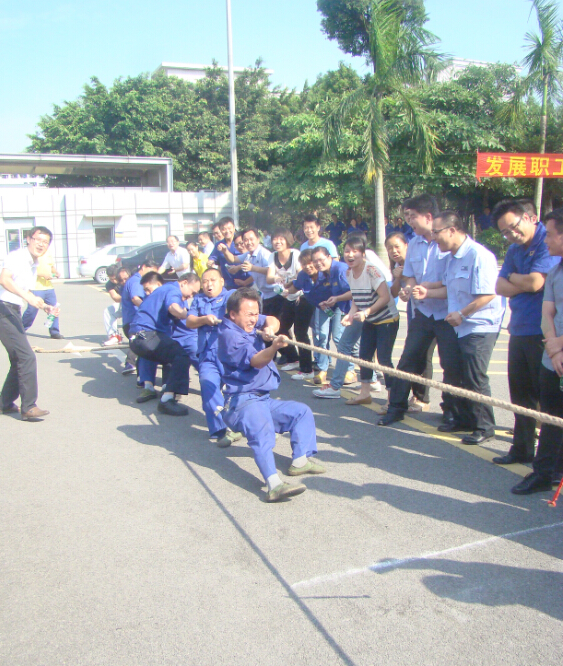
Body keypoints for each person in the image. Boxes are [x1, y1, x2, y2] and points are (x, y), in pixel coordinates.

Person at [217, 288, 325, 502]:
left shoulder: (247, 320)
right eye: (249, 314)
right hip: (242, 401)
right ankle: (273, 485)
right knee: (262, 432)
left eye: (255, 314)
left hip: (262, 398)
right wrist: (274, 346)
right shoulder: (230, 336)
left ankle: (300, 461)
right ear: (233, 314)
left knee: (301, 412)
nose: (253, 318)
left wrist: (269, 328)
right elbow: (257, 360)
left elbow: (272, 320)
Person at [410, 210, 505, 444]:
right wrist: (427, 291)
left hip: (480, 325)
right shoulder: (451, 257)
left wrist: (462, 313)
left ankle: (484, 426)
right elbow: (448, 288)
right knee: (455, 372)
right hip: (460, 325)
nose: (433, 238)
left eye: (436, 232)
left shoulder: (479, 255)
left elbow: (489, 294)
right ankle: (462, 418)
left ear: (452, 230)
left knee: (475, 377)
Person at [378, 195, 463, 427]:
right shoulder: (414, 243)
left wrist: (425, 290)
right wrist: (408, 289)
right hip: (422, 313)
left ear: (428, 216)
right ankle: (396, 407)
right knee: (408, 360)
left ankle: (451, 413)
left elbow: (453, 282)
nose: (409, 221)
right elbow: (410, 276)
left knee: (450, 365)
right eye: (406, 216)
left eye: (412, 216)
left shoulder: (449, 243)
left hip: (447, 314)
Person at [493, 199, 559, 465]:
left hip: (543, 332)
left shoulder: (547, 241)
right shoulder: (514, 250)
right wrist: (521, 280)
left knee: (547, 399)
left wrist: (515, 278)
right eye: (505, 232)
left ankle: (549, 462)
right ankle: (522, 449)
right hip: (519, 327)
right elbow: (499, 286)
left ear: (530, 218)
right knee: (520, 395)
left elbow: (535, 283)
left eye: (513, 227)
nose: (511, 234)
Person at [511, 207, 563, 494]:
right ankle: (544, 473)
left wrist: (559, 344)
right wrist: (554, 348)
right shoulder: (555, 272)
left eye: (551, 235)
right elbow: (547, 313)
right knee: (551, 417)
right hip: (551, 358)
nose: (548, 240)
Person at [313, 236, 398, 403]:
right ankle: (365, 394)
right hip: (369, 320)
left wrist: (366, 312)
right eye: (347, 251)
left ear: (363, 253)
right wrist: (351, 314)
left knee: (384, 359)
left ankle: (392, 399)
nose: (350, 255)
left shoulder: (371, 271)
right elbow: (356, 297)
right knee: (364, 356)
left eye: (355, 251)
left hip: (386, 320)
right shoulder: (349, 272)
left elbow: (385, 297)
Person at [0, 226, 58, 420]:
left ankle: (4, 403)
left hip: (12, 309)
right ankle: (29, 407)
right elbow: (4, 279)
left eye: (45, 242)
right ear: (28, 239)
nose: (41, 244)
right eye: (37, 239)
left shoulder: (34, 263)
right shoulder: (17, 257)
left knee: (19, 358)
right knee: (27, 357)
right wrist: (27, 296)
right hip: (3, 308)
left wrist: (45, 307)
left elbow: (27, 292)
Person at [128, 274, 199, 416]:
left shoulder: (163, 290)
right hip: (146, 335)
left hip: (136, 338)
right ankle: (167, 400)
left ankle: (167, 388)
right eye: (192, 292)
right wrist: (188, 315)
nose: (191, 296)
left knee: (171, 354)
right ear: (184, 283)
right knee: (181, 355)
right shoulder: (173, 290)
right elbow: (173, 307)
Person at [186, 268, 241, 446]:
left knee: (237, 390)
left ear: (222, 282)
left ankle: (243, 423)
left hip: (229, 352)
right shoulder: (198, 299)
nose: (209, 284)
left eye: (213, 280)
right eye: (205, 281)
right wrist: (204, 319)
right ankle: (220, 428)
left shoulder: (230, 296)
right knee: (207, 384)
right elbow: (189, 321)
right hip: (207, 353)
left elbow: (241, 308)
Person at [384, 231, 434, 413]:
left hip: (432, 312)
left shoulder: (416, 262)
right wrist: (399, 277)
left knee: (424, 355)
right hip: (415, 314)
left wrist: (405, 276)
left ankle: (422, 398)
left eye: (397, 246)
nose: (394, 251)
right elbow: (395, 293)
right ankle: (413, 396)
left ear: (407, 246)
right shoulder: (398, 267)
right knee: (414, 354)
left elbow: (423, 283)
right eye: (390, 248)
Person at [310, 246, 353, 385]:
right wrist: (321, 302)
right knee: (321, 336)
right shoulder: (321, 273)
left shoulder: (340, 269)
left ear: (329, 257)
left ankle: (350, 370)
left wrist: (337, 299)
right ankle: (323, 370)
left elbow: (353, 291)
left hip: (343, 306)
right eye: (315, 261)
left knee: (339, 337)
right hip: (327, 306)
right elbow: (317, 292)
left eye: (321, 259)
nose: (318, 263)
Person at [265, 227, 302, 369]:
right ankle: (293, 359)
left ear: (288, 240)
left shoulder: (295, 254)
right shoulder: (272, 256)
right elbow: (269, 279)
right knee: (280, 326)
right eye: (275, 239)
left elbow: (301, 276)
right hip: (283, 296)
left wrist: (290, 284)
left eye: (281, 239)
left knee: (301, 332)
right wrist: (277, 278)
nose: (277, 242)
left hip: (299, 295)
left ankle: (306, 364)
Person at [284, 249, 320, 381]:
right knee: (300, 332)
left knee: (327, 337)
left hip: (327, 306)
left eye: (310, 263)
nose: (307, 266)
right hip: (308, 301)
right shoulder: (303, 274)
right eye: (304, 264)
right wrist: (286, 291)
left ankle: (328, 368)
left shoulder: (325, 273)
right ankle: (306, 369)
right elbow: (296, 287)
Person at [119, 262, 159, 375]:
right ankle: (132, 365)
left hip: (133, 321)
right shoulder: (136, 281)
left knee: (142, 345)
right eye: (151, 271)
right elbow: (135, 299)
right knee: (142, 341)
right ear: (144, 267)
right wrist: (150, 311)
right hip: (134, 321)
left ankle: (138, 371)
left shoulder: (137, 280)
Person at [21, 246, 63, 339]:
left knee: (54, 309)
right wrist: (43, 274)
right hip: (36, 287)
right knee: (32, 310)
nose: (43, 244)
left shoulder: (48, 252)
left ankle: (54, 332)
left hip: (49, 287)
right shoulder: (33, 253)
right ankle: (21, 329)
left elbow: (51, 267)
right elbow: (28, 270)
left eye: (46, 242)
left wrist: (56, 272)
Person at [208, 217, 241, 289]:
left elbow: (249, 259)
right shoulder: (219, 245)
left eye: (229, 228)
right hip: (228, 283)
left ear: (234, 228)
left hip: (243, 282)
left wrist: (238, 267)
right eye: (224, 229)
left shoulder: (241, 241)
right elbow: (212, 258)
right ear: (220, 230)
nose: (227, 231)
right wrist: (210, 262)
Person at [102, 264, 124, 346]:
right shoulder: (109, 284)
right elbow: (115, 297)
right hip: (124, 303)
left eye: (115, 278)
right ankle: (114, 336)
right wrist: (127, 297)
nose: (114, 281)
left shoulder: (126, 279)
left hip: (136, 304)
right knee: (108, 311)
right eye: (111, 279)